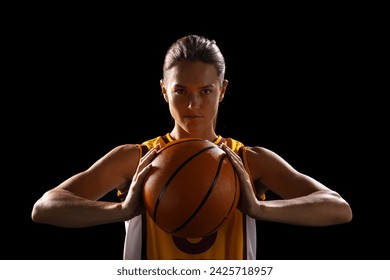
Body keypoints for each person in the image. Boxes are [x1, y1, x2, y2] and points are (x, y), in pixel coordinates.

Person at [31, 34, 353, 260]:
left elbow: (338, 208)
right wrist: (122, 210)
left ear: (223, 90)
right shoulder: (137, 159)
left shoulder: (248, 160)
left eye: (206, 91)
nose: (193, 105)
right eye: (181, 91)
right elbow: (45, 208)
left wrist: (259, 208)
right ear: (164, 91)